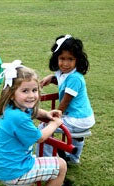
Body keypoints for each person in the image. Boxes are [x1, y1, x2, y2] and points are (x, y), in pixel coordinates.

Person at [0, 61, 73, 186]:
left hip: (5, 166)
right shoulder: (18, 118)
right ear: (12, 93)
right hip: (14, 171)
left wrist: (47, 114)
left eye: (34, 90)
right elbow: (40, 137)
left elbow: (32, 110)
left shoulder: (11, 108)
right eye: (25, 91)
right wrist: (54, 123)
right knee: (61, 165)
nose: (31, 95)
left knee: (33, 165)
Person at [39, 35, 95, 164]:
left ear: (77, 60)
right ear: (56, 58)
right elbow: (62, 80)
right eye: (62, 58)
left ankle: (46, 160)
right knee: (74, 135)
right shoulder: (64, 73)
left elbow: (66, 100)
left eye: (70, 59)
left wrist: (56, 116)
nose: (65, 63)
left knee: (44, 127)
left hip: (79, 119)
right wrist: (52, 78)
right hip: (83, 117)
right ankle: (73, 158)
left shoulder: (75, 78)